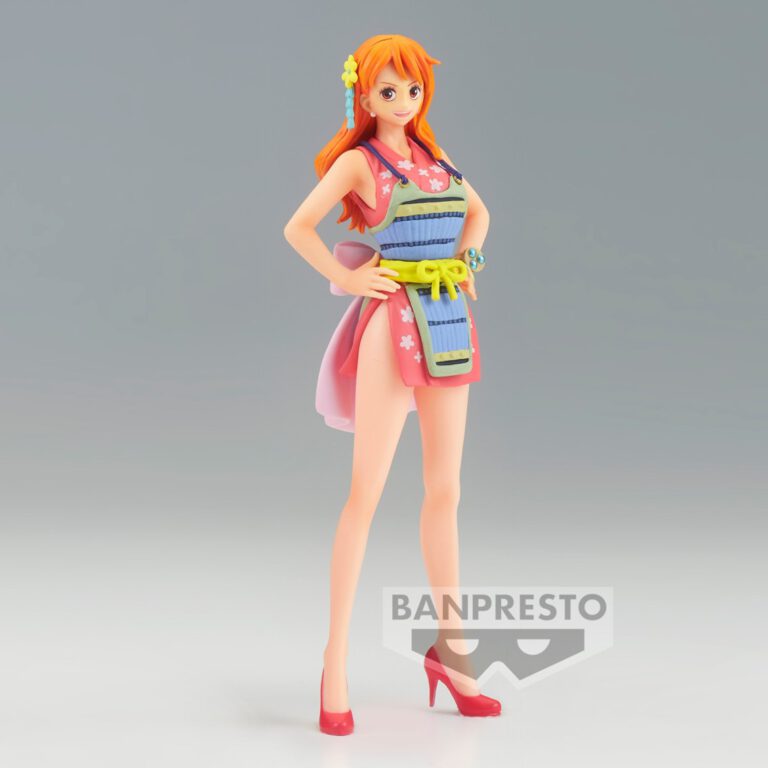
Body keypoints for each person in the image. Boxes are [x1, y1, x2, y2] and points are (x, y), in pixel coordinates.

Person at [283, 34, 499, 735]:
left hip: (449, 320)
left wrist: (469, 259)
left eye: (413, 89)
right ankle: (335, 661)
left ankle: (452, 650)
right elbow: (298, 227)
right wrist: (346, 279)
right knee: (366, 493)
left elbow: (478, 213)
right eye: (389, 90)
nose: (403, 101)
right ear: (364, 95)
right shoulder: (359, 162)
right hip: (393, 321)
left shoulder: (438, 159)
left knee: (446, 490)